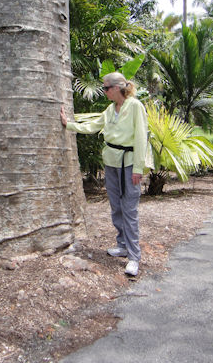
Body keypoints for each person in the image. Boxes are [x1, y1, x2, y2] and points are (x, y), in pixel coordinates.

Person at [60, 72, 148, 276]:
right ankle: (122, 245)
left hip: (129, 162)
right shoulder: (110, 110)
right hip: (111, 162)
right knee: (116, 207)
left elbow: (142, 137)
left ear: (117, 87)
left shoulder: (135, 106)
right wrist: (69, 125)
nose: (104, 91)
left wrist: (138, 168)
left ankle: (134, 257)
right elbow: (93, 126)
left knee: (130, 209)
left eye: (106, 88)